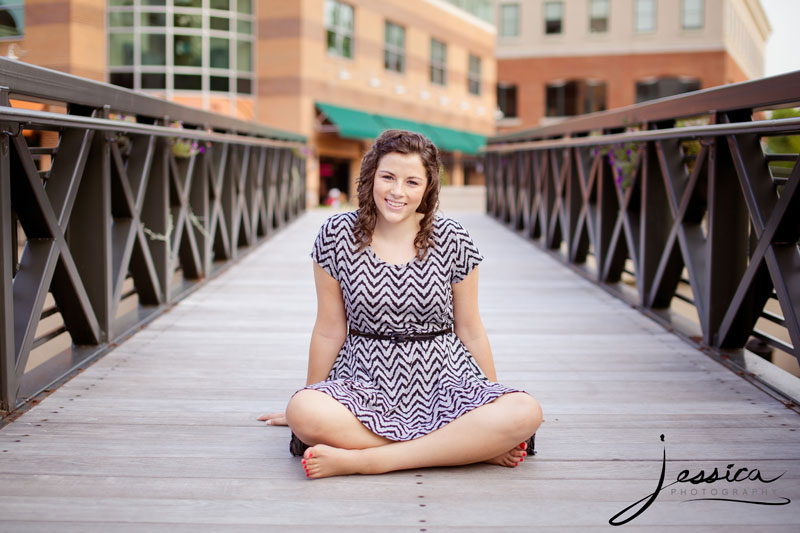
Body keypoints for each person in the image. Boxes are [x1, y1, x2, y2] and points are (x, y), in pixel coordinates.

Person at [258, 129, 542, 479]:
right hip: (363, 378)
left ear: (427, 188)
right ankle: (465, 449)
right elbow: (330, 329)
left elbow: (470, 328)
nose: (397, 191)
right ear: (370, 177)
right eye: (388, 177)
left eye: (411, 182)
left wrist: (490, 396)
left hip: (444, 375)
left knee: (525, 410)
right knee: (303, 410)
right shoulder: (337, 235)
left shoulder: (452, 237)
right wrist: (309, 392)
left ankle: (370, 460)